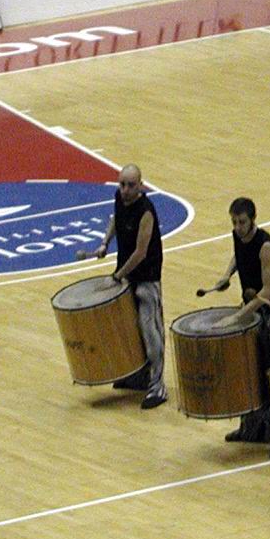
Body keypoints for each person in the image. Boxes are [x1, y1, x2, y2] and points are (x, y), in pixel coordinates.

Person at [210, 197, 270, 452]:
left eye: (242, 222)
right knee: (251, 369)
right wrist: (226, 275)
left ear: (253, 219)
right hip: (253, 313)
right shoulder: (238, 235)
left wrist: (239, 315)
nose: (237, 227)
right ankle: (251, 428)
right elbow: (238, 256)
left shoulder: (265, 245)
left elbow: (268, 290)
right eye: (234, 222)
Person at [90, 164, 167, 407]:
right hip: (126, 276)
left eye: (131, 185)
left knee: (150, 330)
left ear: (141, 186)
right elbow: (115, 219)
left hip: (146, 277)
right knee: (131, 328)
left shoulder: (146, 211)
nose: (125, 190)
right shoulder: (119, 198)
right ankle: (139, 375)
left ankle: (158, 387)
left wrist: (118, 275)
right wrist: (105, 242)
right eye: (122, 184)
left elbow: (141, 252)